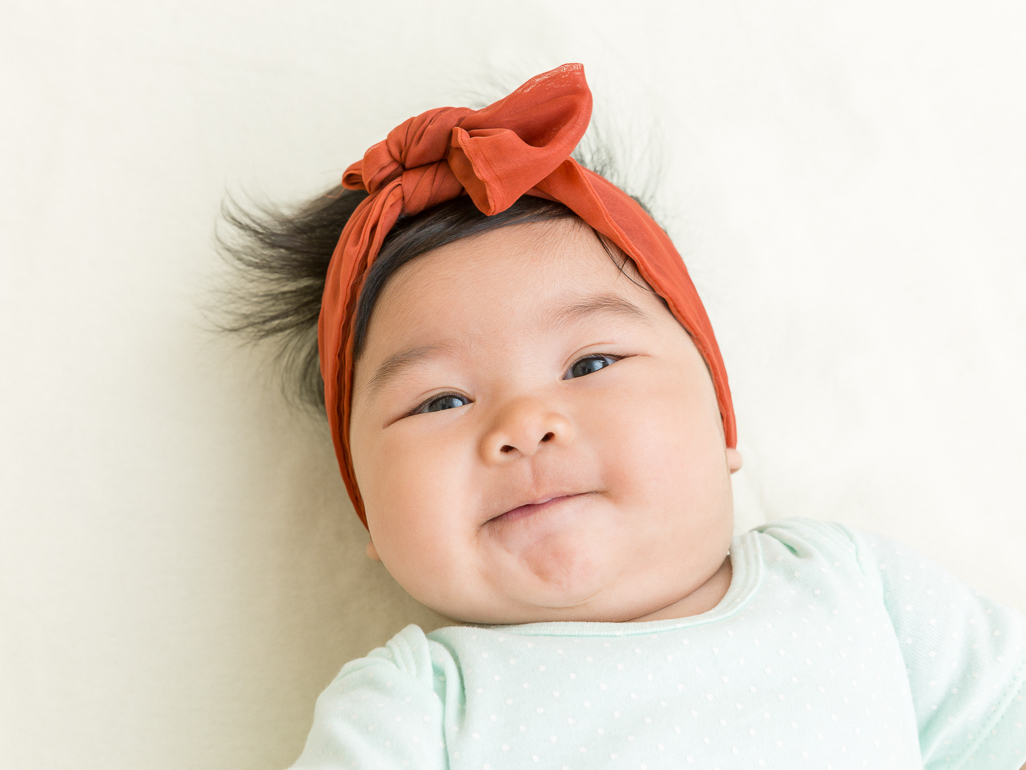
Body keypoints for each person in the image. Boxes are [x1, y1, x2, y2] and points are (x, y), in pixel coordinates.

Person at [218, 64, 1026, 769]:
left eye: (590, 364)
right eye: (442, 400)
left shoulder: (849, 587)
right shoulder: (415, 709)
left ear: (720, 418)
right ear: (368, 506)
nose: (524, 423)